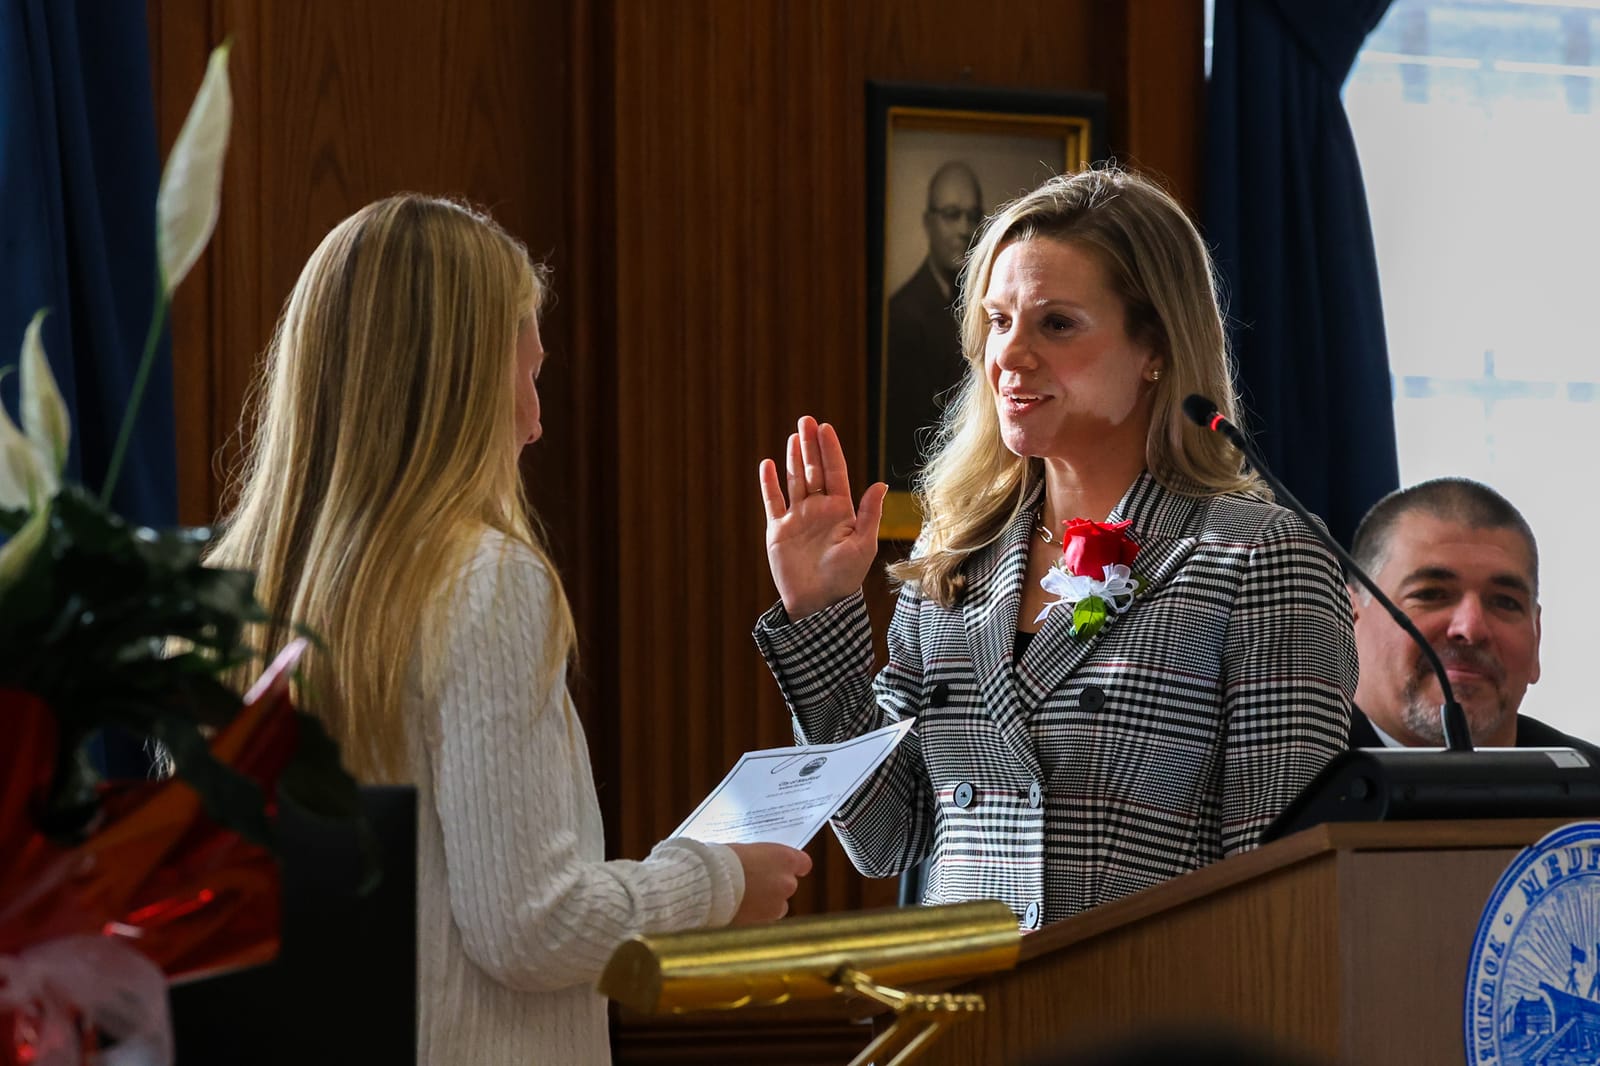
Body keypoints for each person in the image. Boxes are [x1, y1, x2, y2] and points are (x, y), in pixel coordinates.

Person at [206, 195, 811, 1063]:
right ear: (452, 386)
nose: (535, 422)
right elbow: (533, 927)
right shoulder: (485, 582)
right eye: (526, 377)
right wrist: (720, 879)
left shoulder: (225, 596)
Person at [754, 165, 1355, 929]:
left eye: (1056, 324)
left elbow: (1283, 891)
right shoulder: (955, 554)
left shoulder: (1259, 558)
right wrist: (820, 608)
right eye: (998, 321)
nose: (1011, 355)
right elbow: (884, 835)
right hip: (965, 999)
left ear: (1156, 347)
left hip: (1146, 1001)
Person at [1347, 477, 1599, 756]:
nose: (1471, 628)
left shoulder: (1587, 776)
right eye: (1430, 594)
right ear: (1348, 619)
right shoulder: (1307, 772)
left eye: (1505, 602)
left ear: (1536, 636)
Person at [882, 160, 984, 487]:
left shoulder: (988, 307)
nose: (964, 229)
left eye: (973, 216)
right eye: (952, 215)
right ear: (928, 223)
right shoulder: (904, 316)